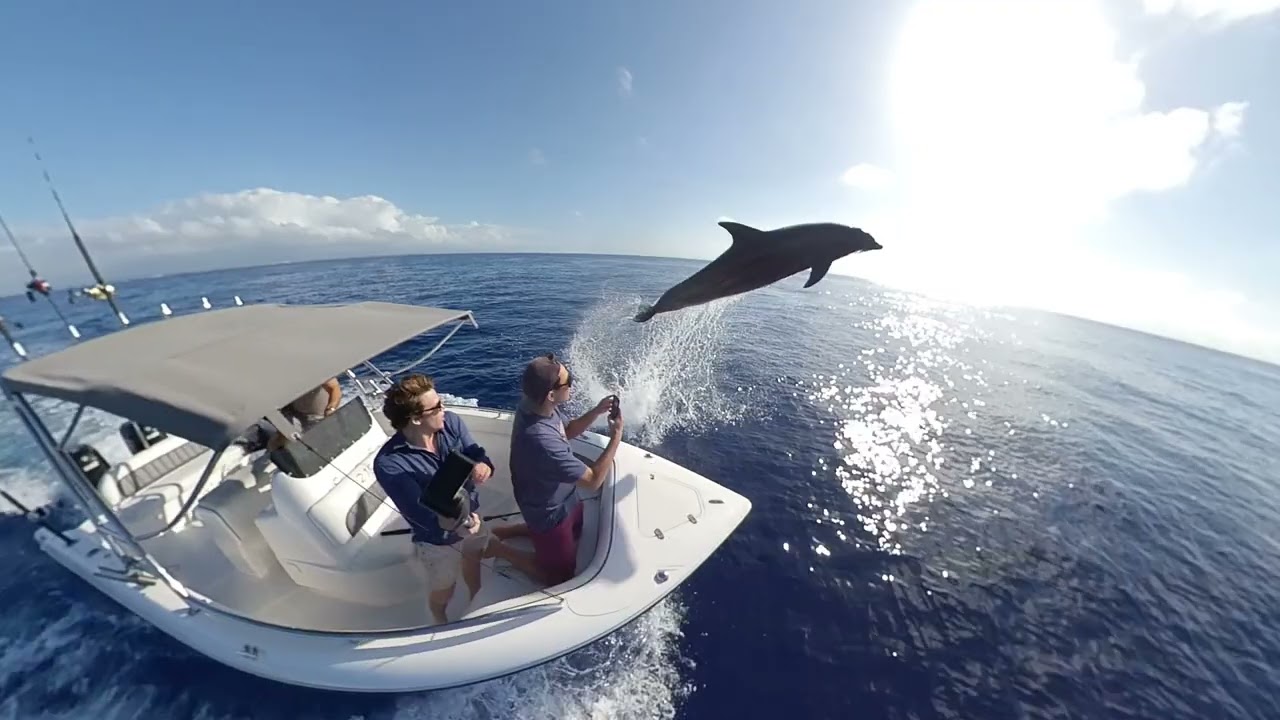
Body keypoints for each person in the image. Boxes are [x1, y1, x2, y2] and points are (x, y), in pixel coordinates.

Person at [372, 373, 541, 623]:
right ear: (416, 418)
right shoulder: (389, 464)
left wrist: (484, 465)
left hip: (473, 516)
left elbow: (475, 452)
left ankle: (476, 595)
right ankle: (438, 616)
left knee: (475, 556)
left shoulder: (451, 422)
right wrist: (462, 525)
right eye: (437, 407)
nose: (444, 409)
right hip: (437, 542)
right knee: (445, 589)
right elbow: (422, 515)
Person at [507, 353, 624, 587]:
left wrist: (596, 411)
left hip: (566, 497)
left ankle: (514, 532)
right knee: (560, 577)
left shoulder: (536, 405)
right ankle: (499, 549)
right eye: (568, 381)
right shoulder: (542, 441)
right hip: (548, 514)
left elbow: (566, 430)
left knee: (578, 532)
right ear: (551, 395)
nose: (572, 384)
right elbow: (592, 482)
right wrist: (616, 436)